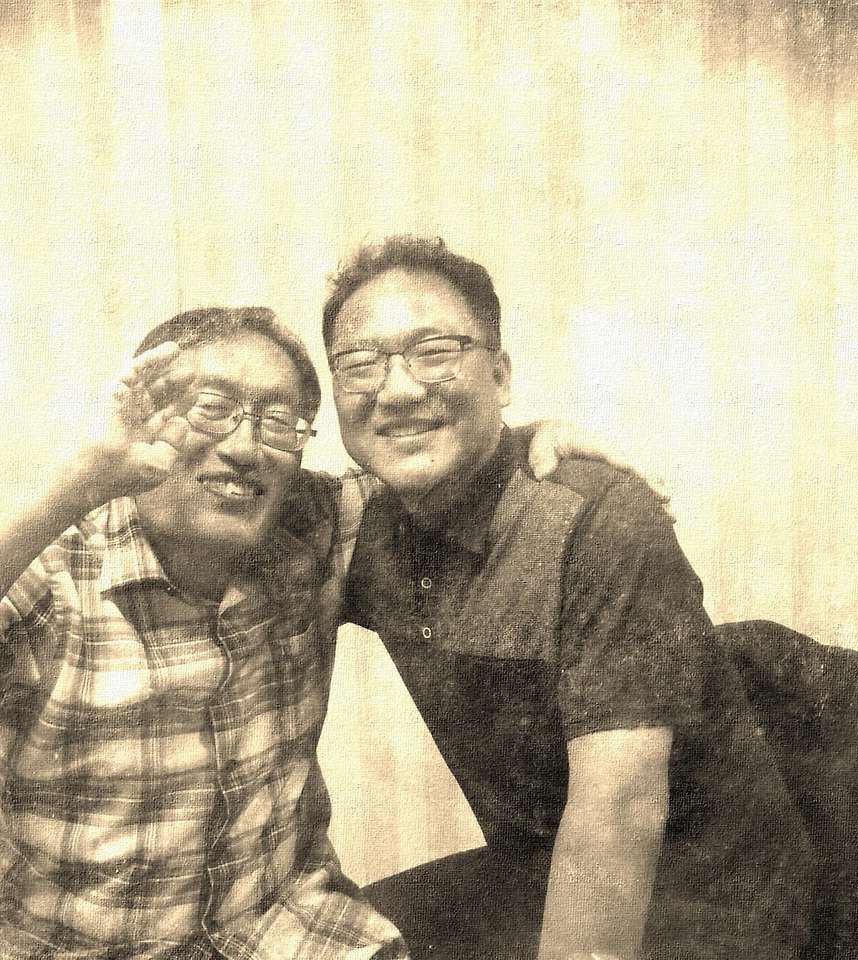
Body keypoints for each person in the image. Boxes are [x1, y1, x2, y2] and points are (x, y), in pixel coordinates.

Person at [0, 305, 610, 960]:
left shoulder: (312, 524)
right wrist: (70, 487)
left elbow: (436, 462)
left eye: (281, 421)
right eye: (211, 408)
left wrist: (531, 440)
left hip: (296, 935)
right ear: (140, 420)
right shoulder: (52, 564)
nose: (245, 446)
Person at [318, 236, 816, 960]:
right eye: (360, 364)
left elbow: (621, 814)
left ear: (500, 375)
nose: (396, 390)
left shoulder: (598, 518)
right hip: (535, 873)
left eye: (434, 352)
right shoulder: (360, 526)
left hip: (718, 904)